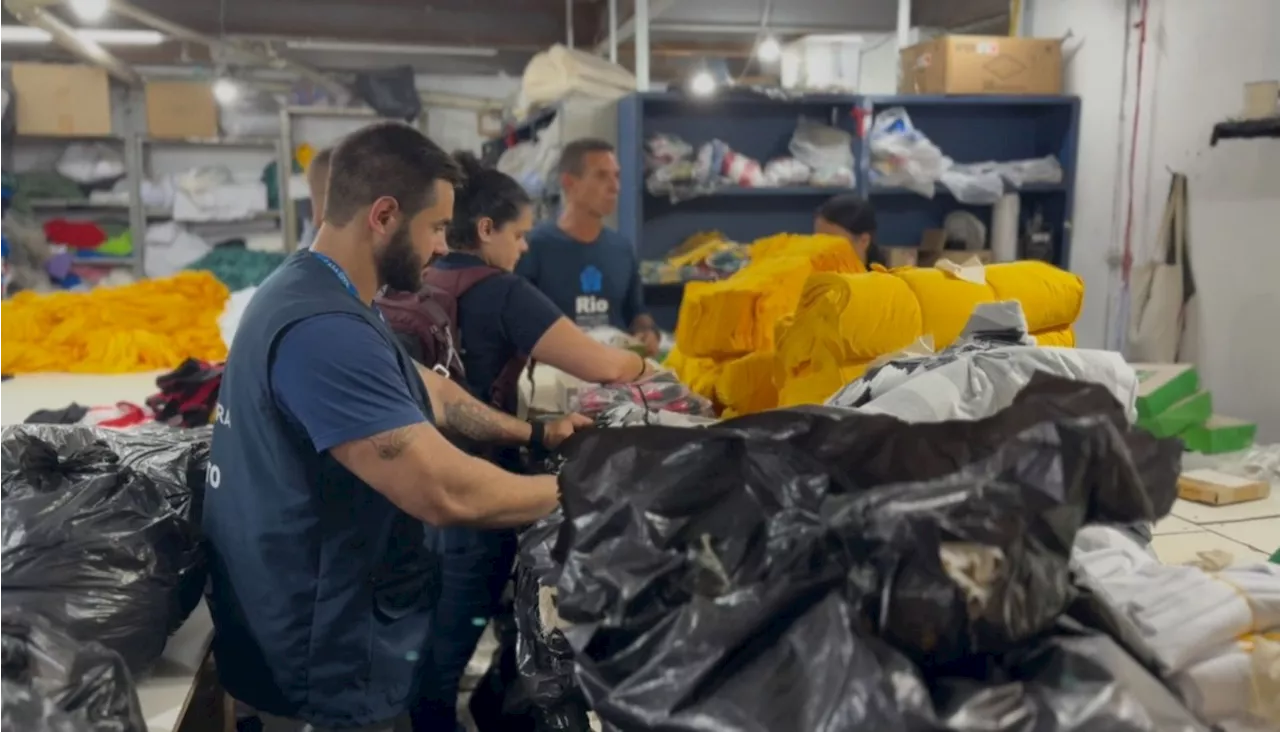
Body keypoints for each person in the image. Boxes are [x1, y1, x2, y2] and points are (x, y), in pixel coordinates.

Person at [202, 122, 589, 732]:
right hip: (321, 661)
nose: (441, 248)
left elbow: (428, 391)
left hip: (318, 627)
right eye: (435, 227)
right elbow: (442, 491)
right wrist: (590, 494)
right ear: (383, 215)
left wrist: (535, 436)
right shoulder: (324, 329)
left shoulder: (315, 291)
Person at [407, 152, 657, 732]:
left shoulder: (426, 278)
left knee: (436, 637)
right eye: (517, 235)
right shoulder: (500, 291)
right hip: (479, 489)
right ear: (487, 229)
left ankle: (471, 709)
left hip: (422, 481)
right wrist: (654, 371)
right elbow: (600, 366)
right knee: (453, 649)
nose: (523, 249)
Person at [516, 138, 660, 356]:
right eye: (602, 176)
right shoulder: (533, 247)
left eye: (616, 176)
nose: (615, 187)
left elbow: (636, 311)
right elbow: (518, 322)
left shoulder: (621, 248)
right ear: (569, 183)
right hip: (555, 375)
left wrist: (646, 331)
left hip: (615, 376)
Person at [815, 193, 881, 267]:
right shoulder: (810, 275)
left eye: (833, 243)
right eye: (819, 240)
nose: (823, 251)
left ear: (864, 241)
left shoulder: (885, 278)